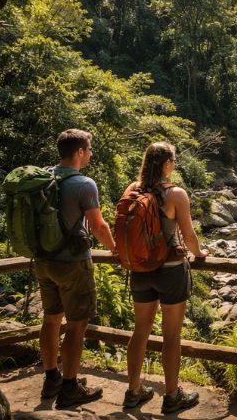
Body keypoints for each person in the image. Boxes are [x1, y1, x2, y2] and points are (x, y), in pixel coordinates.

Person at [123, 142, 208, 413]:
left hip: (139, 270)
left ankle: (133, 391)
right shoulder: (176, 194)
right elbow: (189, 236)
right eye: (173, 160)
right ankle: (172, 396)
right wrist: (200, 253)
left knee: (140, 331)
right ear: (167, 163)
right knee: (171, 336)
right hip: (170, 270)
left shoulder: (132, 190)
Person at [38, 129, 117, 408]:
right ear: (80, 152)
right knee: (76, 325)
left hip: (44, 260)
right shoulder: (84, 184)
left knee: (51, 319)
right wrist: (115, 248)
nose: (91, 154)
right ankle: (70, 387)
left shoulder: (44, 177)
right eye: (90, 149)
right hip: (72, 263)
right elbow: (98, 226)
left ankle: (52, 379)